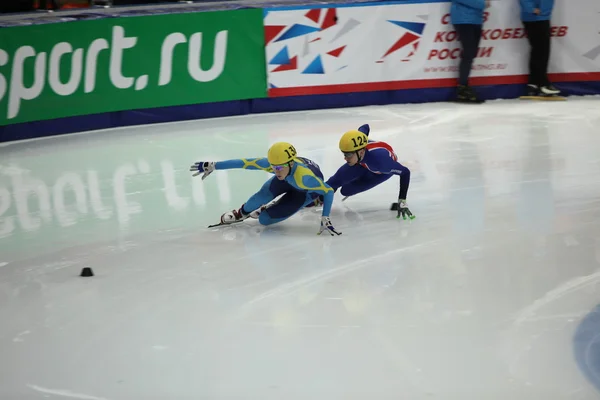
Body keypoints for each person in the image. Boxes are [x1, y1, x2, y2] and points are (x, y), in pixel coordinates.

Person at [189, 142, 341, 235]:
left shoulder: (305, 179)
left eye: (280, 167)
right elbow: (243, 163)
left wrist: (325, 217)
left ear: (290, 163)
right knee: (260, 196)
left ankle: (274, 207)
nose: (276, 171)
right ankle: (241, 212)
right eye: (274, 167)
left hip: (305, 191)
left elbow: (328, 191)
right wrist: (214, 166)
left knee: (264, 220)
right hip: (289, 179)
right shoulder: (276, 166)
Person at [325, 124, 415, 220]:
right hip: (361, 163)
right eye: (344, 154)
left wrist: (402, 200)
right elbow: (365, 126)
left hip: (379, 173)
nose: (345, 158)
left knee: (346, 190)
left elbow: (405, 172)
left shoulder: (381, 163)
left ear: (361, 152)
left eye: (348, 154)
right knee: (333, 183)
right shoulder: (358, 145)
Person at [450, 0, 490, 103]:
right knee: (468, 53)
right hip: (463, 20)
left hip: (476, 20)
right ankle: (462, 87)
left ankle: (464, 85)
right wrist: (483, 4)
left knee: (471, 53)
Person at [519, 0, 561, 97]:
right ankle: (543, 84)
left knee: (538, 51)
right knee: (542, 52)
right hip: (536, 18)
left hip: (541, 17)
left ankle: (533, 83)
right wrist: (531, 9)